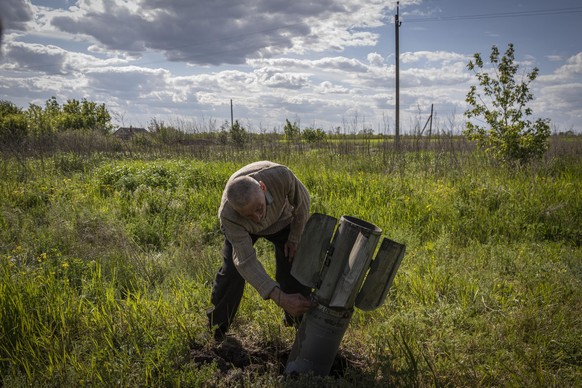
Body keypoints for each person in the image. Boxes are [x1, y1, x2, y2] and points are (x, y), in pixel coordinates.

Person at [207, 161, 316, 340]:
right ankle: (216, 330)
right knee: (232, 274)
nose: (258, 219)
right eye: (249, 215)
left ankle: (297, 323)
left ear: (263, 188)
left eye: (259, 209)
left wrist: (295, 237)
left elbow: (302, 203)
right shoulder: (229, 216)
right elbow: (245, 262)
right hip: (244, 231)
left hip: (282, 220)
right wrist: (279, 297)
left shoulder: (281, 176)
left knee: (294, 266)